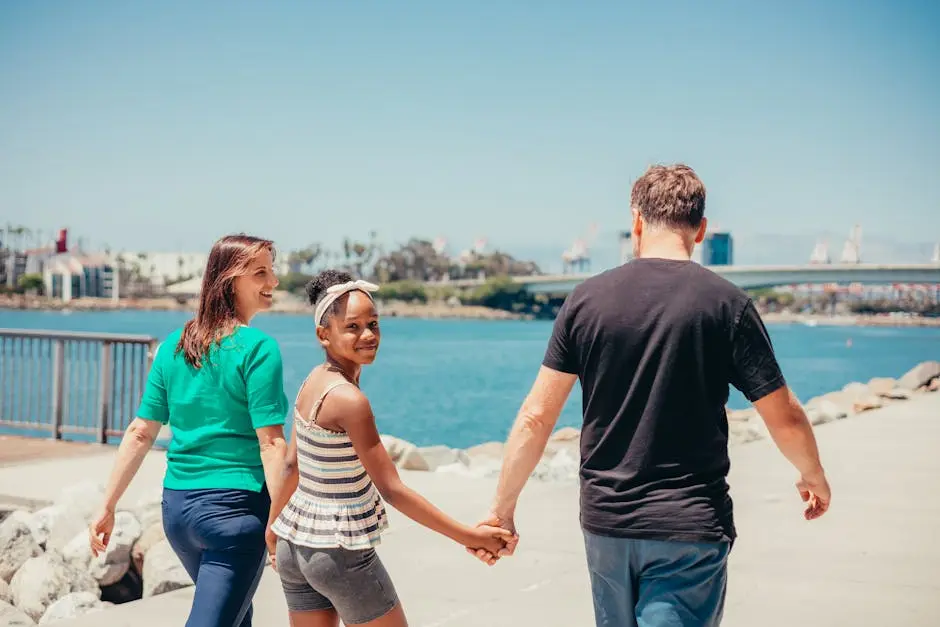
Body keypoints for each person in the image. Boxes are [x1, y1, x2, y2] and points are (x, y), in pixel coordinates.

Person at [474, 164, 832, 626]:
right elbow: (783, 415)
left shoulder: (585, 301)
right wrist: (812, 473)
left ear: (637, 222)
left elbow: (536, 418)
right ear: (701, 230)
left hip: (606, 524)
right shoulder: (727, 305)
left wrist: (501, 511)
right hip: (689, 526)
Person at [267, 269, 514, 627]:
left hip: (295, 543)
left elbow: (291, 466)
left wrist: (273, 528)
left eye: (374, 324)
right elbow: (393, 490)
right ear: (324, 334)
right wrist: (469, 535)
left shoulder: (313, 382)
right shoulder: (350, 401)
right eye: (352, 327)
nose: (368, 335)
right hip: (339, 554)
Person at [89, 234, 292, 627]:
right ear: (231, 280)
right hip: (235, 513)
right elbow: (271, 445)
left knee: (236, 615)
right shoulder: (259, 349)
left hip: (179, 513)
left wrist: (108, 505)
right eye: (261, 272)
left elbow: (139, 432)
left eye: (272, 270)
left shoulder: (173, 346)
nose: (274, 281)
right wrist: (280, 522)